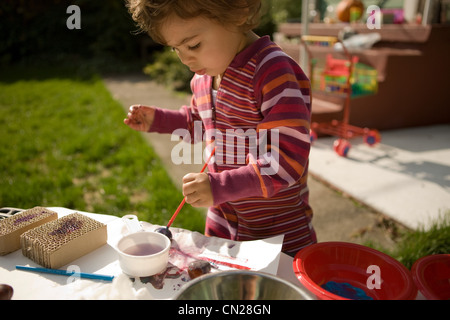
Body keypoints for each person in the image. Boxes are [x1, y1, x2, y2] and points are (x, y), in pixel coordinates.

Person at [124, 0, 316, 256]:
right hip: (223, 222)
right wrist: (159, 120)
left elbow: (286, 161)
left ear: (239, 12)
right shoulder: (203, 79)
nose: (184, 58)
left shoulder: (273, 73)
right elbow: (201, 124)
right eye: (175, 49)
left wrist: (219, 187)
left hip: (278, 233)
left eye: (193, 45)